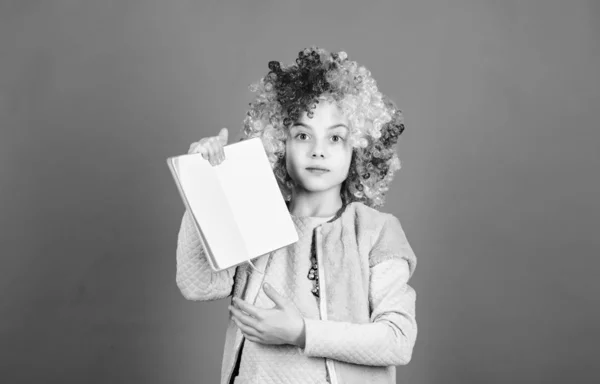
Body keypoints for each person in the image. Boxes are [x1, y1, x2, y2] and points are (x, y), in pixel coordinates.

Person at [175, 46, 417, 384]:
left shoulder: (376, 232)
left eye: (335, 137)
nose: (318, 149)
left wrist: (301, 332)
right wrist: (201, 184)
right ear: (278, 143)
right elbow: (199, 286)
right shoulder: (255, 213)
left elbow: (398, 340)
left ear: (358, 149)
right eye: (302, 135)